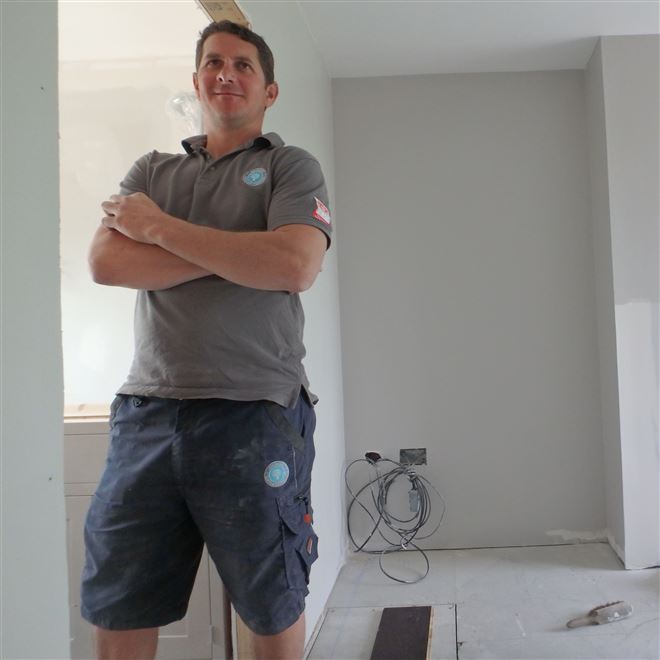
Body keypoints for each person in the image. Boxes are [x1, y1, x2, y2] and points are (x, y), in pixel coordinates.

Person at [81, 20, 332, 660]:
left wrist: (160, 230)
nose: (227, 73)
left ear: (269, 90)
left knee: (271, 601)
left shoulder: (290, 167)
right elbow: (107, 263)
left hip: (256, 412)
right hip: (146, 414)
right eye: (214, 62)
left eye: (244, 64)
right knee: (119, 601)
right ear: (196, 82)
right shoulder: (151, 171)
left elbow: (295, 265)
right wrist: (241, 255)